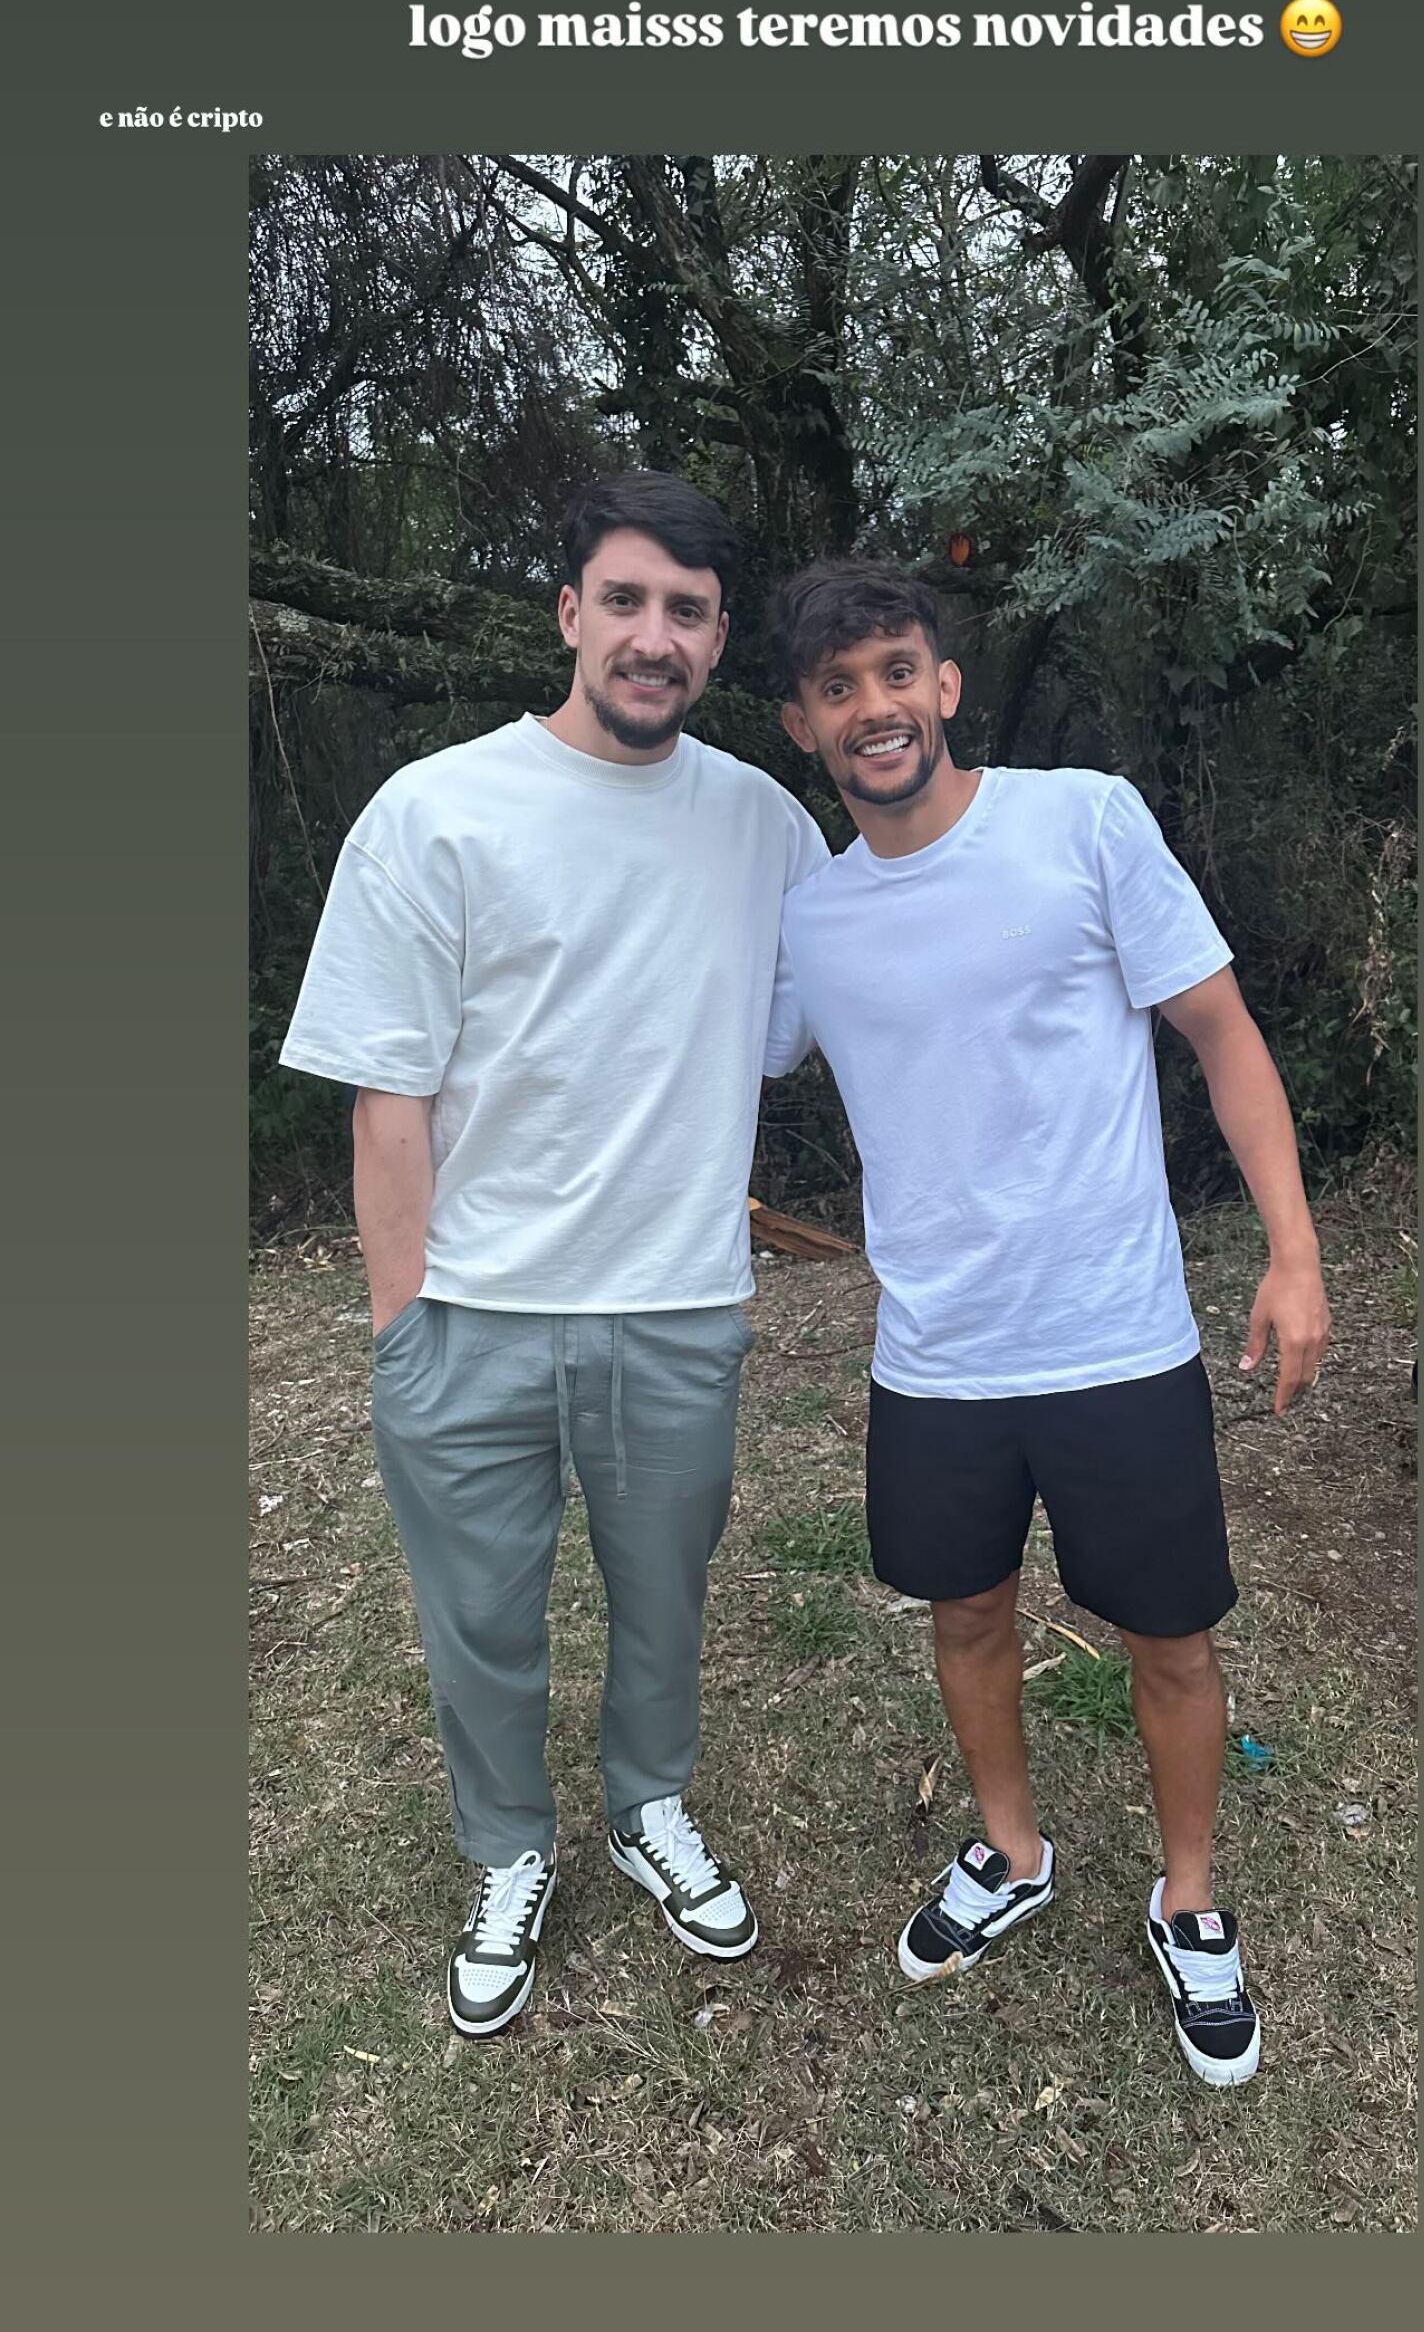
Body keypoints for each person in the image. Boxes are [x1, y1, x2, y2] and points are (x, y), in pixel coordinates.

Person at [763, 561, 1331, 2088]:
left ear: (945, 684)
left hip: (1117, 1340)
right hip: (934, 1358)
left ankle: (1191, 1897)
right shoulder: (810, 918)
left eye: (897, 672)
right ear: (803, 723)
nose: (874, 707)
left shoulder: (1083, 820)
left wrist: (1292, 1250)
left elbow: (1220, 1031)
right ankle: (1013, 1850)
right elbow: (693, 1043)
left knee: (1172, 1636)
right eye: (838, 688)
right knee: (963, 1615)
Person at [280, 472, 829, 2038]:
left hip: (676, 1309)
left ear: (720, 642)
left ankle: (652, 1807)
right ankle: (509, 1849)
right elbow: (389, 1097)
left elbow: (848, 1002)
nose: (655, 636)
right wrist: (402, 1328)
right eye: (628, 600)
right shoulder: (437, 810)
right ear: (570, 610)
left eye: (690, 611)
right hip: (471, 1314)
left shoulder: (765, 829)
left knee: (665, 1602)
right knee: (485, 1622)